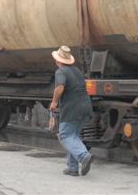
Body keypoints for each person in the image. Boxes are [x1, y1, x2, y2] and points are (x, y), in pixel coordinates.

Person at [49, 45, 93, 177]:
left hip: (72, 108)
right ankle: (72, 168)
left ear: (58, 61)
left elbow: (60, 87)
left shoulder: (61, 71)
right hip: (85, 106)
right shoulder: (76, 70)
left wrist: (54, 102)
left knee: (65, 136)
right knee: (73, 136)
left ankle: (84, 156)